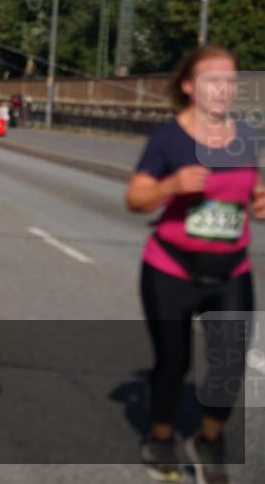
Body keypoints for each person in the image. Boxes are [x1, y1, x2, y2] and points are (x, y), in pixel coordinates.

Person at [126, 45, 263, 484]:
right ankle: (161, 436)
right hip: (170, 269)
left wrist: (260, 200)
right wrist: (171, 184)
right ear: (189, 86)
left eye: (229, 80)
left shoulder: (248, 135)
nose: (223, 89)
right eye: (212, 80)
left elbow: (250, 190)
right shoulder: (168, 138)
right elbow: (135, 199)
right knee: (174, 362)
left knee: (228, 365)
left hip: (230, 270)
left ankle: (208, 440)